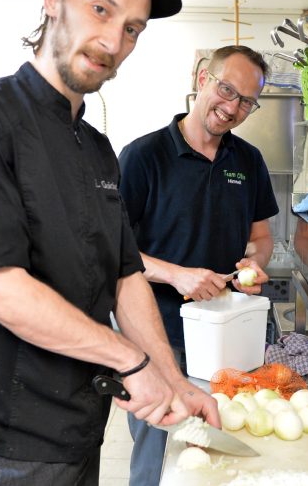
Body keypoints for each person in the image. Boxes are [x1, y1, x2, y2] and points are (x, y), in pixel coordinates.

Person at [0, 0, 207, 484]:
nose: (112, 41)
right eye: (100, 10)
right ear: (53, 0)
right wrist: (132, 362)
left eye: (132, 29)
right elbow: (2, 290)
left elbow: (126, 277)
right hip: (12, 442)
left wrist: (175, 380)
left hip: (83, 427)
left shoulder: (98, 147)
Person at [118, 45, 279, 485]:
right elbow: (112, 251)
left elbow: (262, 237)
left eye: (246, 101)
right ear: (202, 78)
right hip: (159, 335)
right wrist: (176, 274)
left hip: (227, 335)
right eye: (227, 89)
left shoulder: (247, 161)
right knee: (161, 455)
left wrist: (255, 263)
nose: (232, 107)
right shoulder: (142, 157)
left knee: (219, 453)